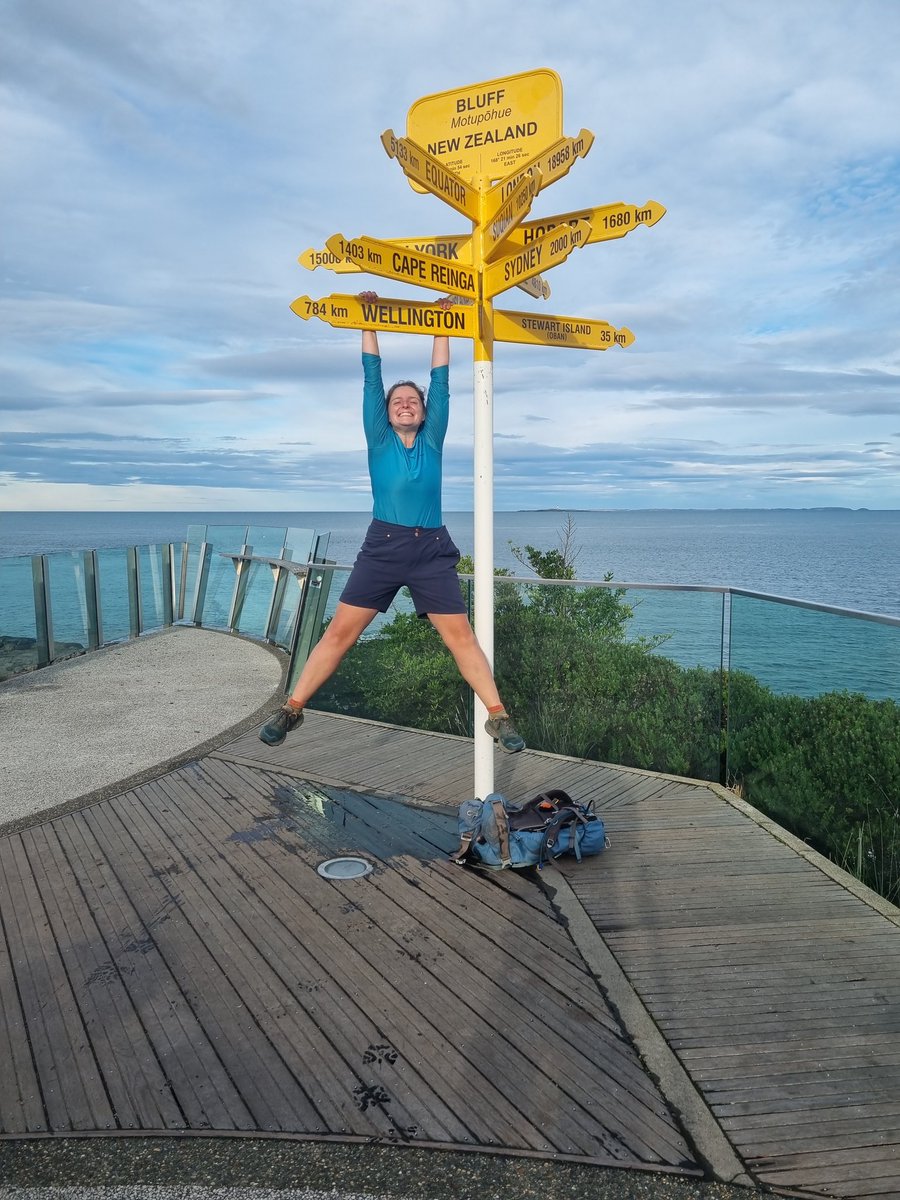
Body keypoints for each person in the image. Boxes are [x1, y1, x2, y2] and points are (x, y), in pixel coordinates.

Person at [259, 293, 525, 754]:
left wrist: (442, 325)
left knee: (461, 636)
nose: (405, 404)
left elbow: (440, 382)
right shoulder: (378, 439)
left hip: (431, 551)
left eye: (412, 401)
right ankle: (292, 708)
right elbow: (370, 379)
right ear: (385, 413)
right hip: (382, 545)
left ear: (423, 412)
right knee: (340, 633)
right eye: (397, 401)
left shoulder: (434, 439)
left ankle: (497, 716)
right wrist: (368, 321)